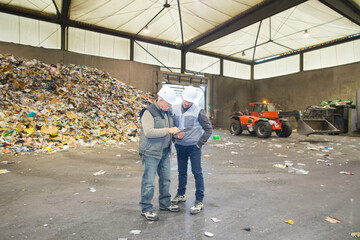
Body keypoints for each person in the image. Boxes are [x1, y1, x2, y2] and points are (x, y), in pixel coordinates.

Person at [138, 86, 181, 221]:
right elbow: (149, 132)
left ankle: (164, 203)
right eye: (168, 103)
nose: (169, 106)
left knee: (166, 178)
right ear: (160, 100)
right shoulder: (148, 112)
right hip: (150, 152)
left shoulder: (167, 111)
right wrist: (169, 130)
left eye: (170, 104)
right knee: (149, 182)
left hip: (164, 151)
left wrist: (176, 135)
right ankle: (146, 208)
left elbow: (170, 129)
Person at [171, 86, 213, 214]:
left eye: (189, 101)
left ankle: (199, 200)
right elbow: (172, 126)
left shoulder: (199, 111)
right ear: (182, 96)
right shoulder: (175, 109)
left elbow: (208, 129)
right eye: (185, 100)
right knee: (181, 171)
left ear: (193, 101)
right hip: (180, 146)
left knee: (197, 172)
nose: (186, 103)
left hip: (194, 147)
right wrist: (174, 137)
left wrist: (199, 144)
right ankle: (181, 194)